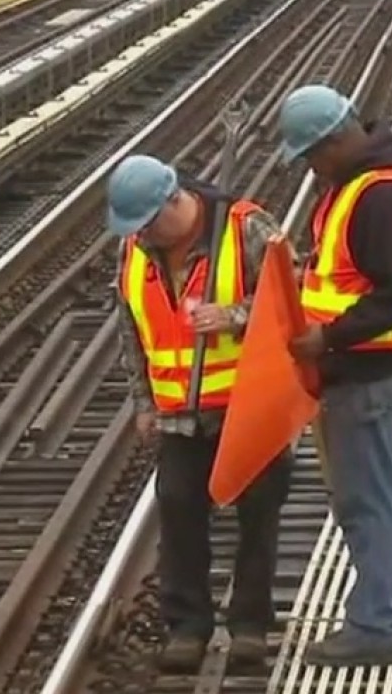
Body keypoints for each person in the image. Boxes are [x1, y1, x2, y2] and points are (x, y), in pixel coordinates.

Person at [275, 85, 392, 667]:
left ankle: (375, 626)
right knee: (385, 493)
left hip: (368, 370)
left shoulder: (377, 196)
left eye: (309, 155)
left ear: (333, 143)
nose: (309, 166)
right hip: (374, 365)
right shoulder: (366, 185)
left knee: (366, 500)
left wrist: (325, 338)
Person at [108, 154, 295, 671]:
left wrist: (235, 316)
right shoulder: (135, 250)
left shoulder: (248, 227)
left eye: (149, 224)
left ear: (175, 201)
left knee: (258, 514)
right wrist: (143, 402)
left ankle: (251, 624)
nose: (144, 236)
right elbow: (131, 329)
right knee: (178, 511)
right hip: (178, 415)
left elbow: (297, 295)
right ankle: (187, 626)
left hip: (250, 404)